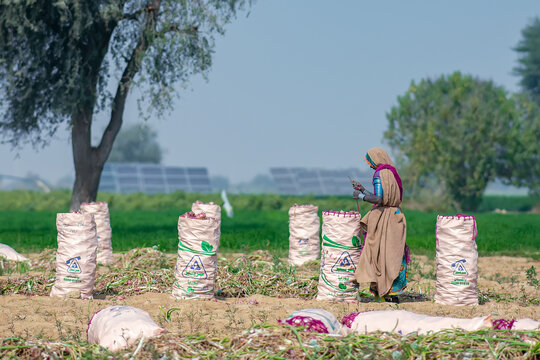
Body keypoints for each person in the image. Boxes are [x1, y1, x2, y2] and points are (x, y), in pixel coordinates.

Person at [352, 147, 410, 303]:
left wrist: (361, 196)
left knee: (382, 256)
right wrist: (363, 189)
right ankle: (391, 293)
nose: (371, 166)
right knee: (394, 255)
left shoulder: (380, 174)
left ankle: (384, 293)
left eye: (371, 162)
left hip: (386, 220)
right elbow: (384, 197)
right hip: (396, 217)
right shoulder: (391, 173)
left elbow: (378, 199)